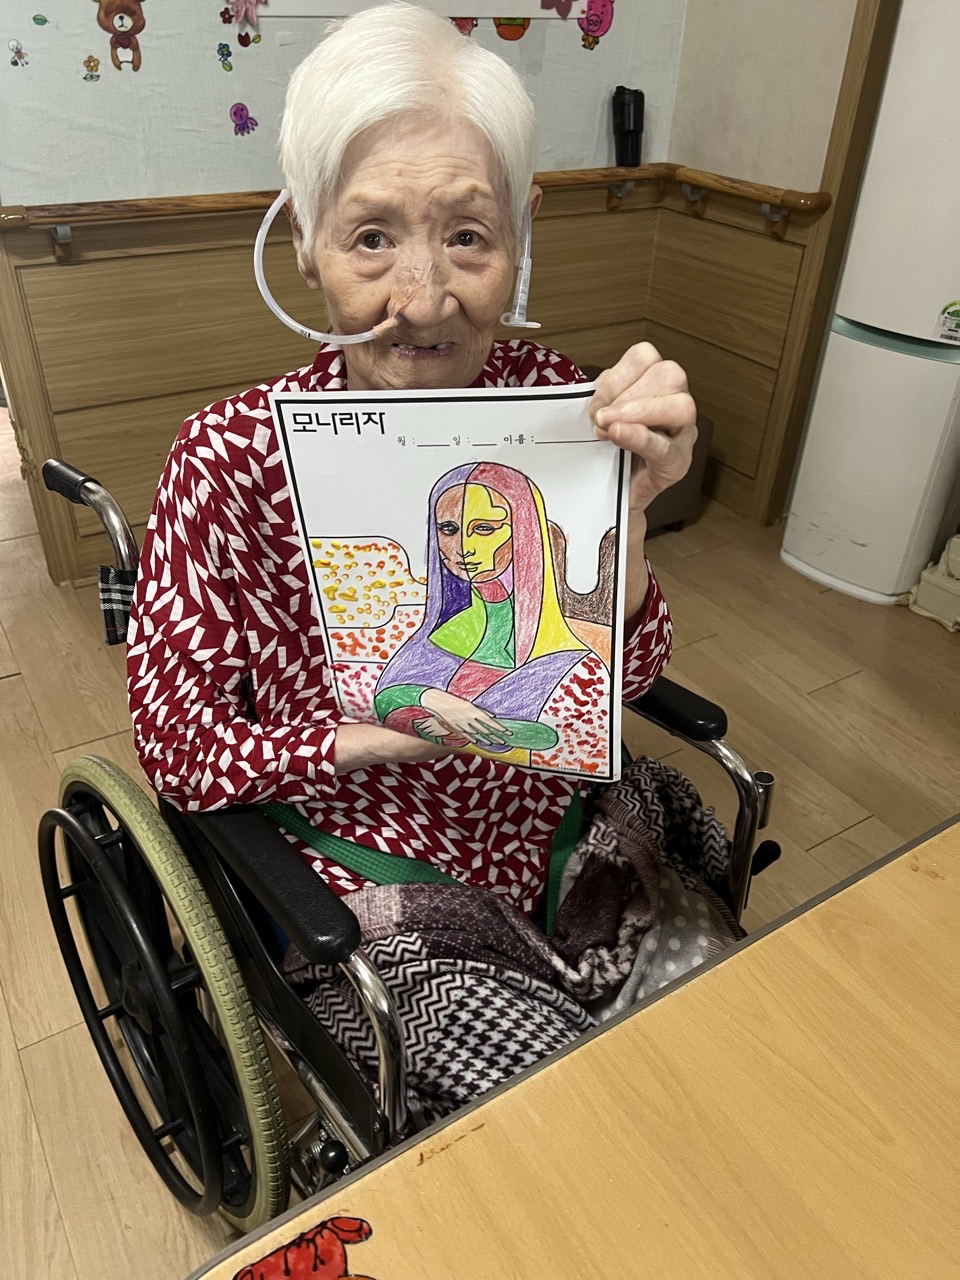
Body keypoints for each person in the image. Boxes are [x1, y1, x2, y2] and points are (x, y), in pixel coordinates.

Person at [127, 3, 699, 1114]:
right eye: (372, 237)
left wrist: (626, 530)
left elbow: (622, 676)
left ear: (522, 231)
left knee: (727, 1030)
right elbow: (180, 752)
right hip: (363, 855)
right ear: (305, 241)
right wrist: (388, 731)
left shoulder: (556, 407)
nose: (425, 299)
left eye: (469, 235)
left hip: (546, 817)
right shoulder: (227, 458)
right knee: (565, 1120)